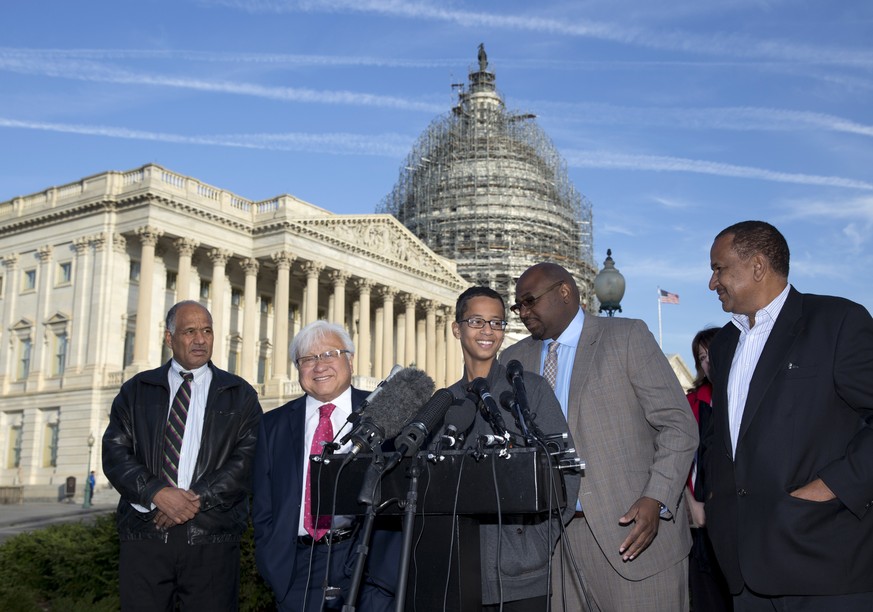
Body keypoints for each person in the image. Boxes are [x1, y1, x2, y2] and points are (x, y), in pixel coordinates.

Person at [499, 262, 697, 611]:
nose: (523, 313)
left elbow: (678, 425)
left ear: (564, 292)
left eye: (530, 301)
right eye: (519, 306)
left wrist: (657, 497)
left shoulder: (626, 337)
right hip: (554, 544)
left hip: (634, 536)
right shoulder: (514, 359)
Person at [704, 220, 873, 610]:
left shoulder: (837, 321)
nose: (712, 283)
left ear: (758, 266)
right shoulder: (726, 342)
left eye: (719, 268)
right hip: (742, 567)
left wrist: (830, 487)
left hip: (823, 559)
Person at [102, 300, 262, 611]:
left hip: (212, 537)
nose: (201, 340)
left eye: (207, 331)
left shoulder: (240, 394)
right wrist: (156, 492)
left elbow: (248, 459)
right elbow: (114, 451)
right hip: (146, 534)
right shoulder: (136, 390)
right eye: (190, 331)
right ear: (169, 338)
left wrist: (195, 498)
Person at [448, 286, 581, 611]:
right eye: (477, 321)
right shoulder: (445, 402)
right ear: (457, 328)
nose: (487, 331)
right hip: (460, 572)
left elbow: (567, 470)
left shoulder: (529, 390)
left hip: (522, 575)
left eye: (496, 323)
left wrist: (536, 544)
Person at [252, 321, 397, 611]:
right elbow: (263, 502)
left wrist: (385, 572)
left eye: (330, 354)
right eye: (308, 359)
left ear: (350, 360)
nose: (320, 367)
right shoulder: (273, 424)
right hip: (296, 568)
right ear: (298, 368)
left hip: (363, 560)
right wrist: (273, 562)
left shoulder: (383, 415)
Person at [684, 327, 732, 612]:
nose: (708, 362)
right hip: (700, 527)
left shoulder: (750, 398)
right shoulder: (690, 404)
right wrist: (692, 506)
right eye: (702, 357)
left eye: (712, 353)